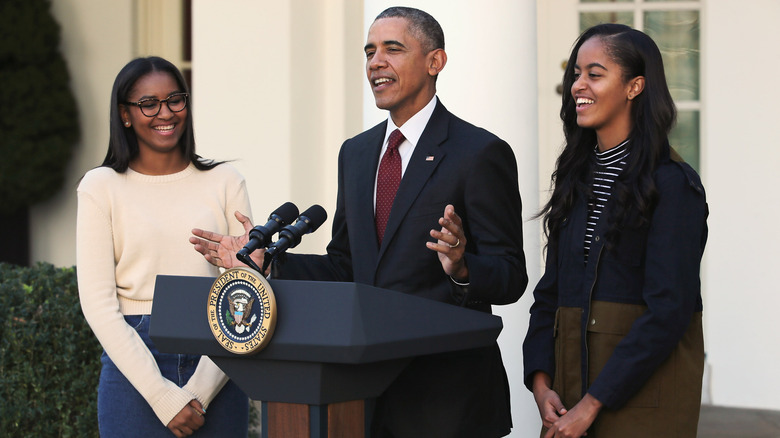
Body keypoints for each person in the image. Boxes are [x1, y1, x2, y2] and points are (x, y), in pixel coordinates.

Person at [190, 7, 527, 437]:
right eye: (369, 51)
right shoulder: (357, 153)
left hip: (449, 403)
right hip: (363, 397)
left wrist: (462, 267)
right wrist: (268, 263)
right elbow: (345, 266)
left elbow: (510, 276)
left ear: (434, 62)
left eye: (392, 49)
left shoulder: (479, 153)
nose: (375, 62)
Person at [522, 23, 708, 437]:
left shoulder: (674, 184)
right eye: (575, 74)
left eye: (594, 73)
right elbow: (551, 292)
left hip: (643, 403)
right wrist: (540, 381)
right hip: (569, 398)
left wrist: (592, 405)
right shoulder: (576, 177)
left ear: (635, 86)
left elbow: (669, 310)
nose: (577, 86)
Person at [76, 56, 252, 437]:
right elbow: (98, 304)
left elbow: (245, 292)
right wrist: (162, 396)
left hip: (218, 356)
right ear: (125, 115)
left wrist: (200, 393)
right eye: (148, 103)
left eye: (175, 99)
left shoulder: (225, 181)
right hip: (134, 366)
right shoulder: (99, 187)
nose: (165, 113)